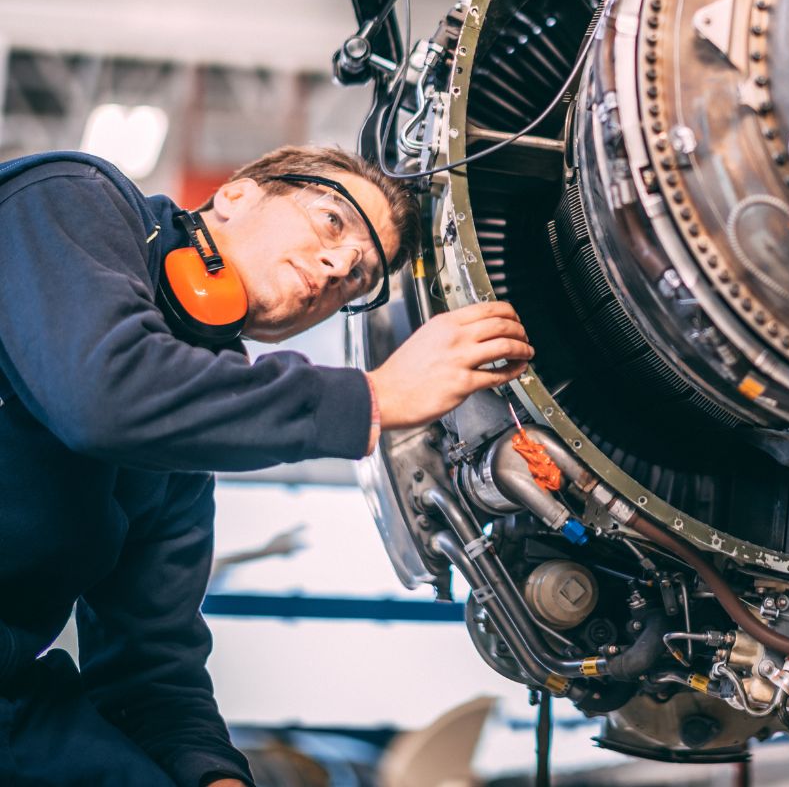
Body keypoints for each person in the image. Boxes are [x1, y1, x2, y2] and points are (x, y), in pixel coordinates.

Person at [0, 144, 534, 787]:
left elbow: (150, 674)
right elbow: (104, 396)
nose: (340, 267)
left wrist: (213, 775)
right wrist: (374, 397)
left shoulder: (180, 456)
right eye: (333, 221)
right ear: (237, 194)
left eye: (360, 279)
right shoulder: (66, 196)